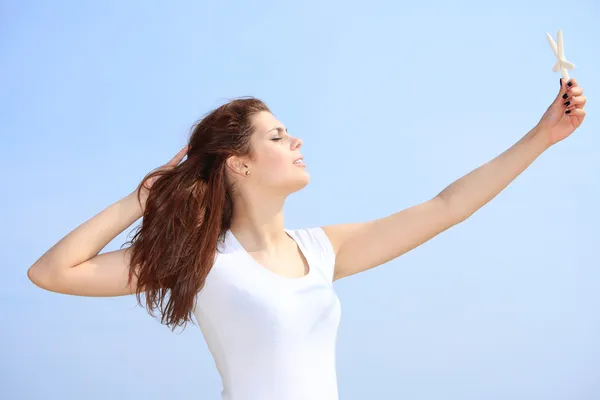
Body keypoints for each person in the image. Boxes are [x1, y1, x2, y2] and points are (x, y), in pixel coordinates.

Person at [27, 79, 587, 400]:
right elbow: (52, 273)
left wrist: (541, 136)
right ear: (238, 165)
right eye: (276, 135)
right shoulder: (201, 260)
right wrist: (141, 198)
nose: (296, 140)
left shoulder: (322, 250)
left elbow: (447, 207)